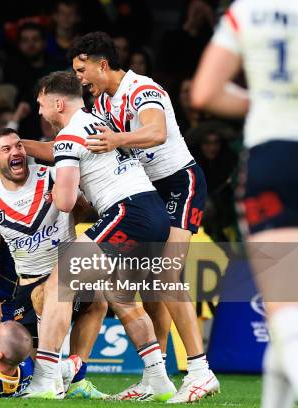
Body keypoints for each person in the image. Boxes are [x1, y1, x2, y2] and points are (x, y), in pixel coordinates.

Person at [68, 32, 219, 402]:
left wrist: (117, 140)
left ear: (101, 63)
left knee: (167, 274)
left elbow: (156, 131)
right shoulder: (102, 100)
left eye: (80, 69)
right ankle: (157, 376)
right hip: (148, 195)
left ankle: (201, 371)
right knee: (141, 286)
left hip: (180, 184)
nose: (78, 78)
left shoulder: (141, 89)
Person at [20, 71, 175, 400]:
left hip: (128, 214)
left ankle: (46, 378)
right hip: (154, 213)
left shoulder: (68, 138)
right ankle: (159, 379)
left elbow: (64, 203)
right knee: (121, 298)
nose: (39, 111)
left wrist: (61, 192)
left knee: (59, 283)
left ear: (57, 102)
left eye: (41, 104)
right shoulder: (99, 123)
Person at [191, 2, 298, 407]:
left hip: (275, 158)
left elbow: (205, 91)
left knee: (288, 312)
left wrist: (265, 102)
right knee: (296, 320)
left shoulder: (251, 9)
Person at [0, 128, 109, 399]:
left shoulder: (53, 176)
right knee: (27, 375)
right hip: (27, 288)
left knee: (97, 301)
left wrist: (78, 203)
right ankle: (64, 371)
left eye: (18, 146)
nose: (16, 152)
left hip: (64, 273)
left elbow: (84, 208)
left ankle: (75, 378)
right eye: (6, 149)